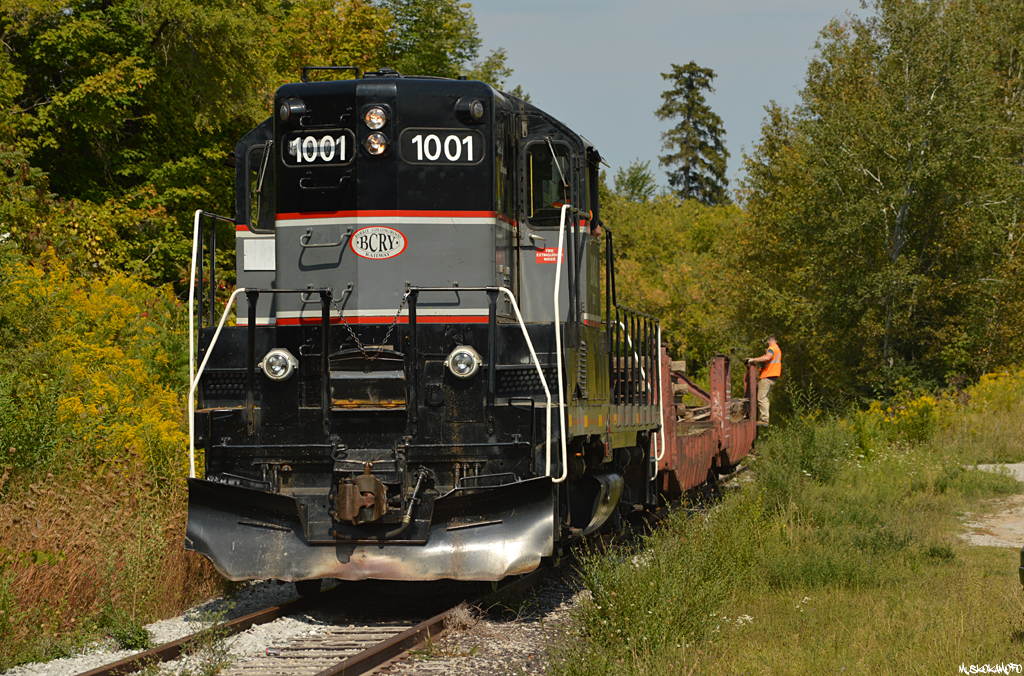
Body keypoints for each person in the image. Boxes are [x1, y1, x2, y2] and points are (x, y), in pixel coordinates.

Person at [745, 335, 781, 426]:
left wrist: (753, 359)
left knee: (762, 398)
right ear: (776, 341)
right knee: (764, 397)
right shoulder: (777, 349)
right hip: (772, 376)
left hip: (768, 376)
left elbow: (767, 357)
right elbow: (766, 358)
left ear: (768, 341)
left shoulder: (771, 349)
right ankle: (764, 419)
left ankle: (764, 419)